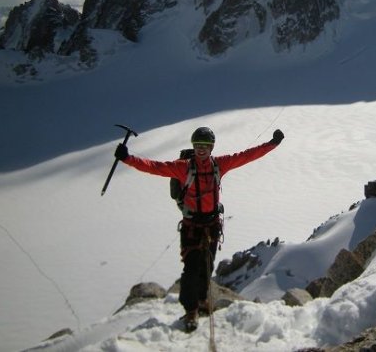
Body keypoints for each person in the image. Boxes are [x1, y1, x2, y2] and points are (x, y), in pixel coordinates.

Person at [114, 126, 284, 331]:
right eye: (197, 145)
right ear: (193, 146)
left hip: (211, 225)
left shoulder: (219, 164)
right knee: (191, 269)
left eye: (205, 146)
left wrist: (272, 144)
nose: (201, 149)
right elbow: (154, 167)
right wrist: (128, 158)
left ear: (211, 147)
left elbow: (247, 156)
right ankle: (191, 310)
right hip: (192, 226)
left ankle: (203, 300)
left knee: (207, 265)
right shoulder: (183, 167)